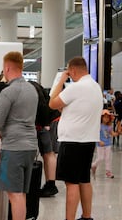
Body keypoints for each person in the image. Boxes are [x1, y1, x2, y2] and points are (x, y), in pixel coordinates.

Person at [0, 51, 38, 220]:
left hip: (14, 148)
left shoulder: (8, 92)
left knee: (14, 194)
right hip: (30, 147)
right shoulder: (32, 90)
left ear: (7, 68)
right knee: (20, 193)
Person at [49, 56, 103, 220]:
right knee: (84, 179)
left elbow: (52, 103)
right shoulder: (95, 87)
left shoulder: (76, 87)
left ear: (72, 70)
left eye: (69, 72)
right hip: (88, 140)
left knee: (71, 182)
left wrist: (60, 80)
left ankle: (69, 218)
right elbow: (73, 109)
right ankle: (87, 216)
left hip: (72, 141)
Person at [29, 81, 59, 197]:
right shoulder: (32, 86)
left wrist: (44, 124)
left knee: (48, 153)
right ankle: (49, 184)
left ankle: (51, 185)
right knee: (47, 153)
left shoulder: (31, 88)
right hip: (48, 120)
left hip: (48, 122)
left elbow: (42, 106)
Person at [91, 109, 118, 179]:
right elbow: (95, 135)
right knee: (100, 158)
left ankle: (108, 171)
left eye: (107, 117)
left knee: (108, 158)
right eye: (104, 117)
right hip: (100, 145)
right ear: (101, 118)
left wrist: (118, 133)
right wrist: (99, 141)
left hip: (108, 144)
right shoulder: (99, 126)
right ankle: (93, 165)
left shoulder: (109, 126)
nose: (106, 119)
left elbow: (112, 133)